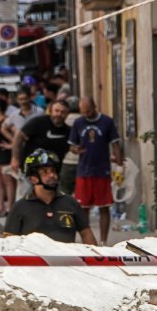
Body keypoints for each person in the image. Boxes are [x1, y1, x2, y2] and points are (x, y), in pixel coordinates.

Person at [3, 150, 96, 245]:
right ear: (33, 179)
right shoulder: (20, 207)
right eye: (45, 172)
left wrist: (95, 257)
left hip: (66, 258)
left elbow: (86, 233)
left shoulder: (71, 203)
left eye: (53, 171)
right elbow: (7, 243)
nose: (52, 175)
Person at [68, 97, 122, 245]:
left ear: (95, 107)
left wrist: (119, 162)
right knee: (83, 208)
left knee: (104, 206)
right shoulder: (78, 123)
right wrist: (76, 149)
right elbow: (71, 145)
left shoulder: (107, 122)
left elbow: (115, 143)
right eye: (83, 112)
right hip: (84, 170)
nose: (86, 114)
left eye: (88, 111)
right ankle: (88, 240)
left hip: (102, 170)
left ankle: (103, 240)